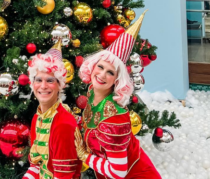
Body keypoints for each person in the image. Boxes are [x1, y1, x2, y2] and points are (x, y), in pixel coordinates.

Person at [75, 11, 162, 179]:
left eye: (110, 72)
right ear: (92, 66)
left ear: (117, 80)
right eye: (100, 67)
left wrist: (85, 156)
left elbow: (118, 171)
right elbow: (92, 124)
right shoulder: (93, 93)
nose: (101, 75)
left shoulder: (115, 119)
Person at [23, 39, 83, 179]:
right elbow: (36, 165)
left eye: (50, 80)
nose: (43, 86)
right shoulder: (38, 117)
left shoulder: (63, 124)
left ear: (59, 86)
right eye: (38, 80)